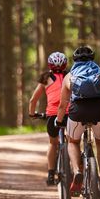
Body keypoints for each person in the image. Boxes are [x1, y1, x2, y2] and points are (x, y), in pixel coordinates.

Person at [56, 45, 100, 197]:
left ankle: (77, 171)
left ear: (74, 60)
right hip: (99, 112)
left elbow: (63, 104)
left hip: (78, 112)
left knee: (73, 141)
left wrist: (59, 120)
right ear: (92, 59)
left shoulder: (69, 77)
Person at [28, 51, 68, 186]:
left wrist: (32, 114)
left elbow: (33, 99)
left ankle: (51, 173)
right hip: (70, 114)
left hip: (52, 115)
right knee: (74, 141)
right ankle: (76, 167)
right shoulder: (71, 76)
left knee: (53, 143)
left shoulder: (45, 78)